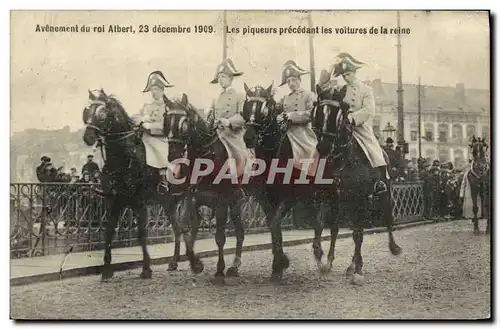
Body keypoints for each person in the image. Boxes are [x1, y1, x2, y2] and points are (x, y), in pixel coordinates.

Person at [318, 52, 389, 194]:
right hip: (341, 127)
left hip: (360, 128)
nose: (346, 77)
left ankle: (379, 181)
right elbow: (324, 92)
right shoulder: (339, 90)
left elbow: (369, 110)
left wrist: (352, 118)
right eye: (344, 75)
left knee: (374, 150)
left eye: (348, 74)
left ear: (355, 72)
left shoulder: (366, 90)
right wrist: (328, 70)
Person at [208, 58, 254, 181]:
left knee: (240, 158)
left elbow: (243, 117)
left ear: (231, 78)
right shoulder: (216, 98)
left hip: (234, 135)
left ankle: (240, 185)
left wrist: (228, 122)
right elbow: (211, 116)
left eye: (223, 76)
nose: (221, 79)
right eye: (219, 77)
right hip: (217, 133)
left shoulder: (239, 95)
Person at [131, 70, 174, 194]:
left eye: (156, 89)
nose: (154, 92)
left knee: (161, 151)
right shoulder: (146, 105)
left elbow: (167, 126)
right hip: (144, 138)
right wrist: (142, 120)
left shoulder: (167, 106)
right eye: (152, 89)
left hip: (159, 138)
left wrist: (150, 126)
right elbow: (134, 117)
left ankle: (163, 181)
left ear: (162, 90)